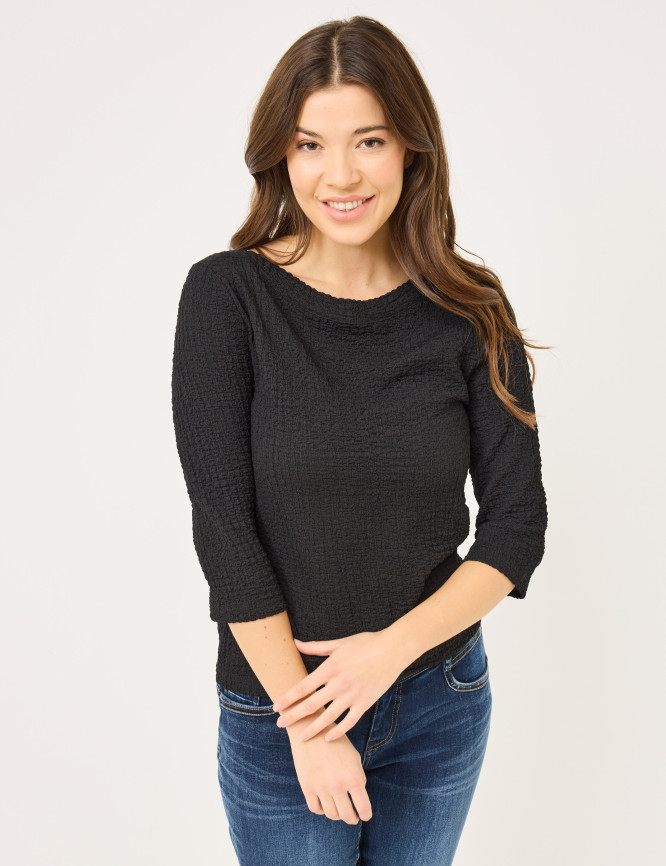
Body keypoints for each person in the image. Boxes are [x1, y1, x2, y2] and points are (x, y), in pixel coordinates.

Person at [171, 15, 548, 866]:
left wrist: (388, 654)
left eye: (368, 140)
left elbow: (517, 527)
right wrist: (310, 724)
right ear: (281, 155)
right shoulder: (228, 297)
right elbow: (224, 530)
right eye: (310, 144)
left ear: (411, 147)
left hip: (439, 700)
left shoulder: (471, 306)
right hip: (281, 711)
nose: (339, 174)